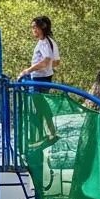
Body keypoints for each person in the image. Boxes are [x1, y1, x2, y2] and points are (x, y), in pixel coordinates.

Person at [18, 15, 61, 147]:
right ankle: (50, 132)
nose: (33, 30)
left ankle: (43, 135)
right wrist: (46, 69)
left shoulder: (44, 42)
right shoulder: (51, 42)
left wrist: (28, 70)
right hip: (44, 77)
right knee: (40, 106)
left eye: (35, 27)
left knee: (37, 107)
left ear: (43, 27)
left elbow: (46, 61)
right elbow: (56, 62)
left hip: (39, 79)